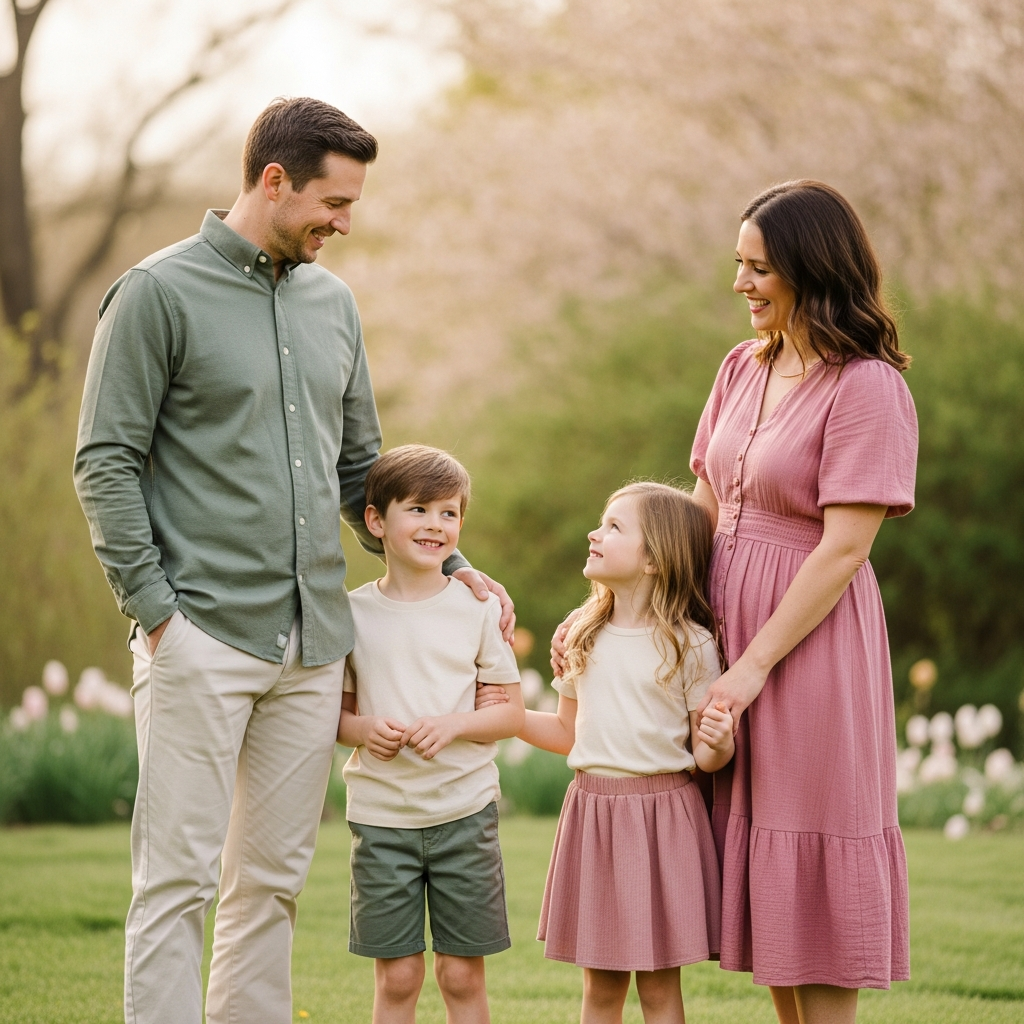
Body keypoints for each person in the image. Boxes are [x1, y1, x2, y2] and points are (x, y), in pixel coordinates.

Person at [73, 98, 513, 1024]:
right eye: (332, 202)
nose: (345, 224)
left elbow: (365, 472)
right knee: (177, 882)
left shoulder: (333, 302)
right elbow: (104, 461)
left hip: (314, 644)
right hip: (200, 632)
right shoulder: (156, 293)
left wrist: (454, 563)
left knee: (268, 884)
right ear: (273, 181)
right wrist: (158, 615)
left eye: (352, 205)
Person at [555, 180, 917, 1024]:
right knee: (761, 866)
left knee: (813, 855)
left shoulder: (866, 387)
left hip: (810, 646)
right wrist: (632, 610)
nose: (741, 284)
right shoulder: (740, 367)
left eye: (759, 269)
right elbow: (698, 507)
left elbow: (846, 546)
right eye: (739, 265)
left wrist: (752, 669)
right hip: (721, 636)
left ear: (809, 269)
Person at [520, 482, 733, 1024]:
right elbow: (569, 733)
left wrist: (719, 744)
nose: (595, 532)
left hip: (663, 819)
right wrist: (506, 719)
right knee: (600, 992)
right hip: (593, 816)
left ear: (656, 559)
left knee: (660, 992)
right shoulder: (582, 633)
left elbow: (704, 757)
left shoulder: (692, 645)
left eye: (615, 526)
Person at [338, 445, 525, 1024]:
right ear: (376, 521)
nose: (435, 525)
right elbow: (332, 718)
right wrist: (367, 730)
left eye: (448, 513)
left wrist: (454, 724)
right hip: (382, 820)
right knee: (399, 977)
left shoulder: (476, 609)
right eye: (418, 510)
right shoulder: (351, 615)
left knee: (461, 974)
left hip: (463, 816)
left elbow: (511, 713)